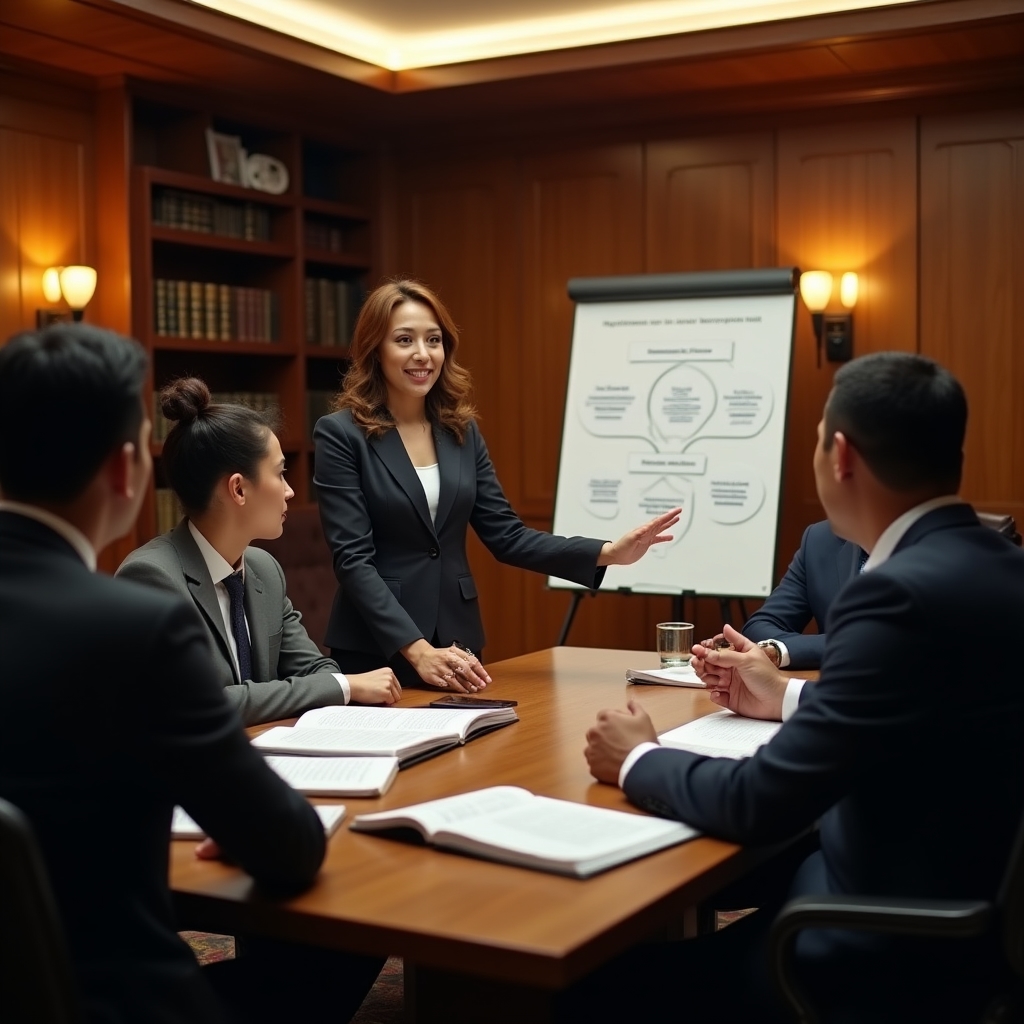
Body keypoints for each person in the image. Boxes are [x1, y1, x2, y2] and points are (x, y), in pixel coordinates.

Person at [581, 352, 1024, 1022]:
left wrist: (637, 756)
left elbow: (759, 803)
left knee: (583, 991)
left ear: (840, 456)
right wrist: (786, 696)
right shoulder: (1002, 567)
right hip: (960, 901)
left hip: (875, 948)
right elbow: (929, 715)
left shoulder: (894, 597)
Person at [0, 325, 380, 1024]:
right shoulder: (135, 624)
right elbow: (290, 847)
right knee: (351, 937)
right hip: (118, 999)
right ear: (125, 470)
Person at [313, 279, 681, 691]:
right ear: (374, 349)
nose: (422, 354)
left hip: (457, 644)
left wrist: (608, 553)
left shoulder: (460, 432)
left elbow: (506, 536)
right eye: (404, 340)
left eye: (433, 340)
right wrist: (417, 650)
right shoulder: (340, 434)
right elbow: (353, 561)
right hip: (377, 651)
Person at [118, 377, 401, 724]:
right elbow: (202, 703)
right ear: (238, 489)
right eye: (281, 474)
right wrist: (343, 686)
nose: (290, 491)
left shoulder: (263, 567)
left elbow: (318, 668)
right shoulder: (152, 576)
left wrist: (336, 684)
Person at [704, 520, 863, 669]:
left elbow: (874, 639)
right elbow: (759, 626)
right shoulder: (821, 538)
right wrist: (770, 649)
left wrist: (780, 650)